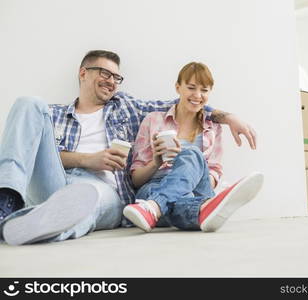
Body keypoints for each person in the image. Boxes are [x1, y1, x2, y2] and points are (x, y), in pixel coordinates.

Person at [0, 50, 257, 246]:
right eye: (105, 73)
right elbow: (35, 158)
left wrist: (229, 117)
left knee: (87, 198)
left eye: (116, 77)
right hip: (56, 181)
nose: (111, 81)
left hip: (104, 190)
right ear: (83, 73)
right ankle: (6, 202)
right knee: (28, 103)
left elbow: (186, 102)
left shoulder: (126, 106)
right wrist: (88, 160)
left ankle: (33, 226)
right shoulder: (52, 116)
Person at [123, 62, 263, 233]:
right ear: (178, 87)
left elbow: (213, 172)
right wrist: (155, 162)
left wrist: (189, 179)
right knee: (183, 200)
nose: (197, 95)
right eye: (191, 87)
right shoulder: (153, 120)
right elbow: (135, 179)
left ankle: (154, 207)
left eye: (204, 90)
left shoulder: (213, 127)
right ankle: (206, 208)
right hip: (154, 185)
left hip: (196, 187)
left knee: (191, 154)